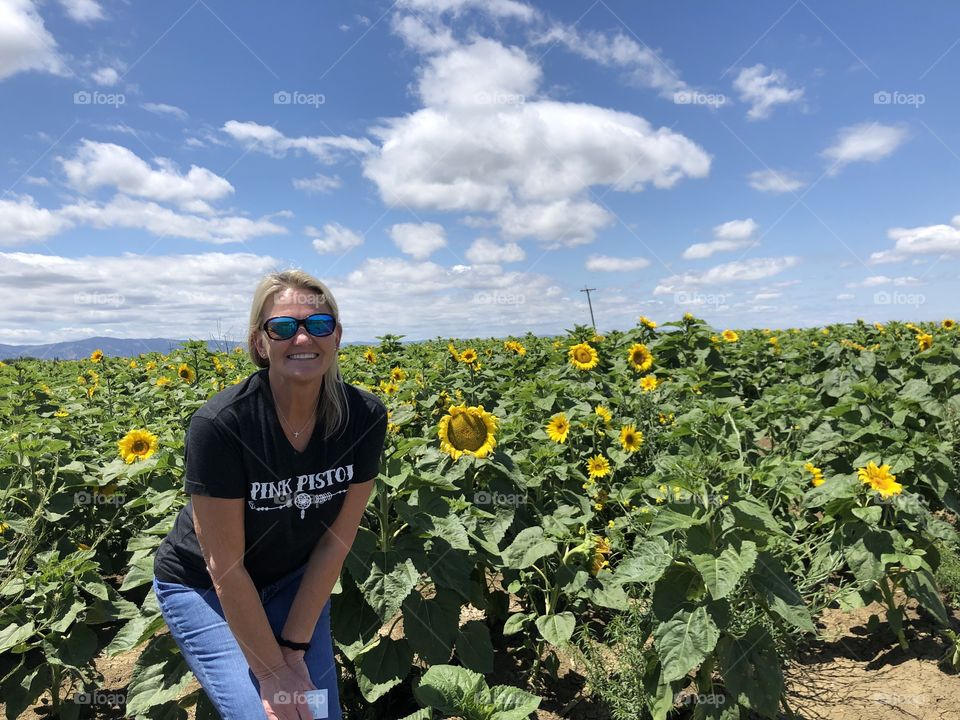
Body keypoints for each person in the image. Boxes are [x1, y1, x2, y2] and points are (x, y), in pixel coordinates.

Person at [152, 270, 388, 719]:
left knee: (315, 713)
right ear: (260, 343)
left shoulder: (364, 417)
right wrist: (274, 673)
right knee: (268, 714)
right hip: (205, 588)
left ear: (336, 336)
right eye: (283, 327)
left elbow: (335, 543)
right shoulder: (221, 425)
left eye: (318, 324)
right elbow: (225, 567)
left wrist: (294, 651)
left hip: (295, 579)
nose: (303, 338)